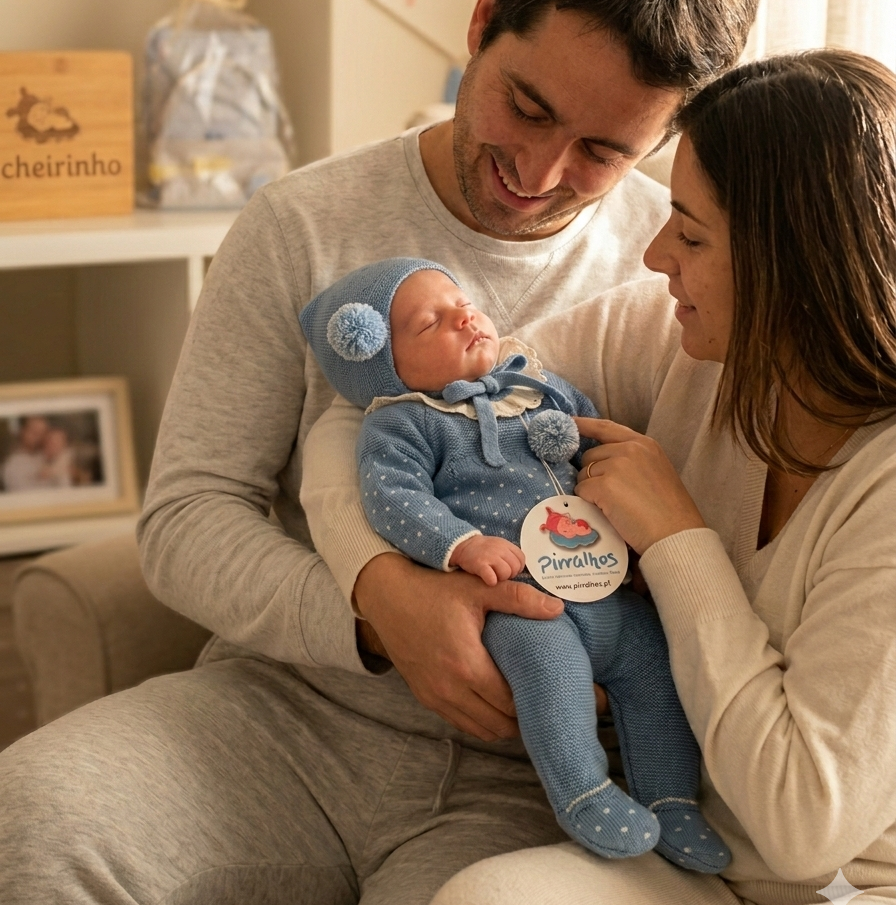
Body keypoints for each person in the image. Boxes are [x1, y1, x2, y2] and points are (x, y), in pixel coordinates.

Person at [0, 0, 761, 905]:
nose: (537, 173)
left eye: (601, 151)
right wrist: (373, 610)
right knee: (20, 839)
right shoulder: (300, 225)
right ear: (482, 12)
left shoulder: (676, 273)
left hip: (536, 785)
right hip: (289, 721)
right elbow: (187, 514)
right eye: (526, 106)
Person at [369, 49, 895, 905]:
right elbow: (412, 405)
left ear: (792, 268)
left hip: (855, 896)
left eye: (689, 235)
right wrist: (384, 587)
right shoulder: (686, 343)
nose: (654, 256)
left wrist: (676, 541)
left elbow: (805, 826)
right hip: (701, 853)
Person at [300, 257, 730, 869]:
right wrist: (461, 546)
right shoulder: (403, 423)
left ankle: (672, 800)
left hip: (603, 588)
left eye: (461, 302)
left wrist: (633, 543)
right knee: (550, 677)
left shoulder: (539, 388)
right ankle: (583, 792)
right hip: (518, 598)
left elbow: (596, 458)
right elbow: (394, 499)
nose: (464, 317)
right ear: (382, 365)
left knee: (653, 666)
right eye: (432, 323)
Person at [0, 415, 49, 492]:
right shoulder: (12, 465)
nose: (39, 437)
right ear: (22, 431)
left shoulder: (47, 455)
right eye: (34, 432)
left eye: (43, 433)